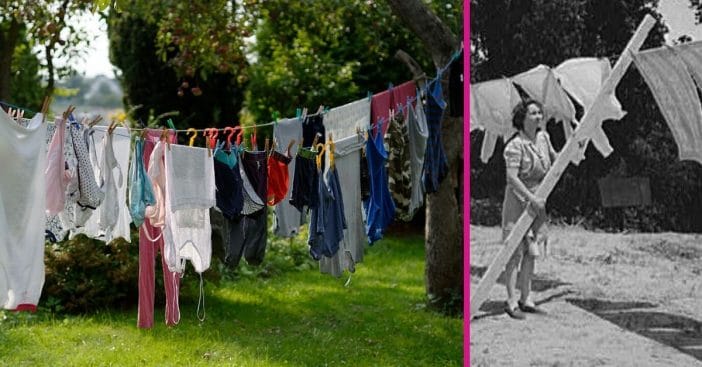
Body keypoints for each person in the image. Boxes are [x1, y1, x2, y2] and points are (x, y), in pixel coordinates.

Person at [502, 99, 557, 320]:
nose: (538, 117)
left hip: (538, 201)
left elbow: (555, 159)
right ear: (522, 118)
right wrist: (530, 198)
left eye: (539, 113)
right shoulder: (514, 146)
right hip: (519, 201)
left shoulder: (544, 138)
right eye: (533, 113)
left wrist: (576, 148)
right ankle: (511, 301)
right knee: (514, 252)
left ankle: (526, 298)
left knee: (532, 252)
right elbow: (512, 178)